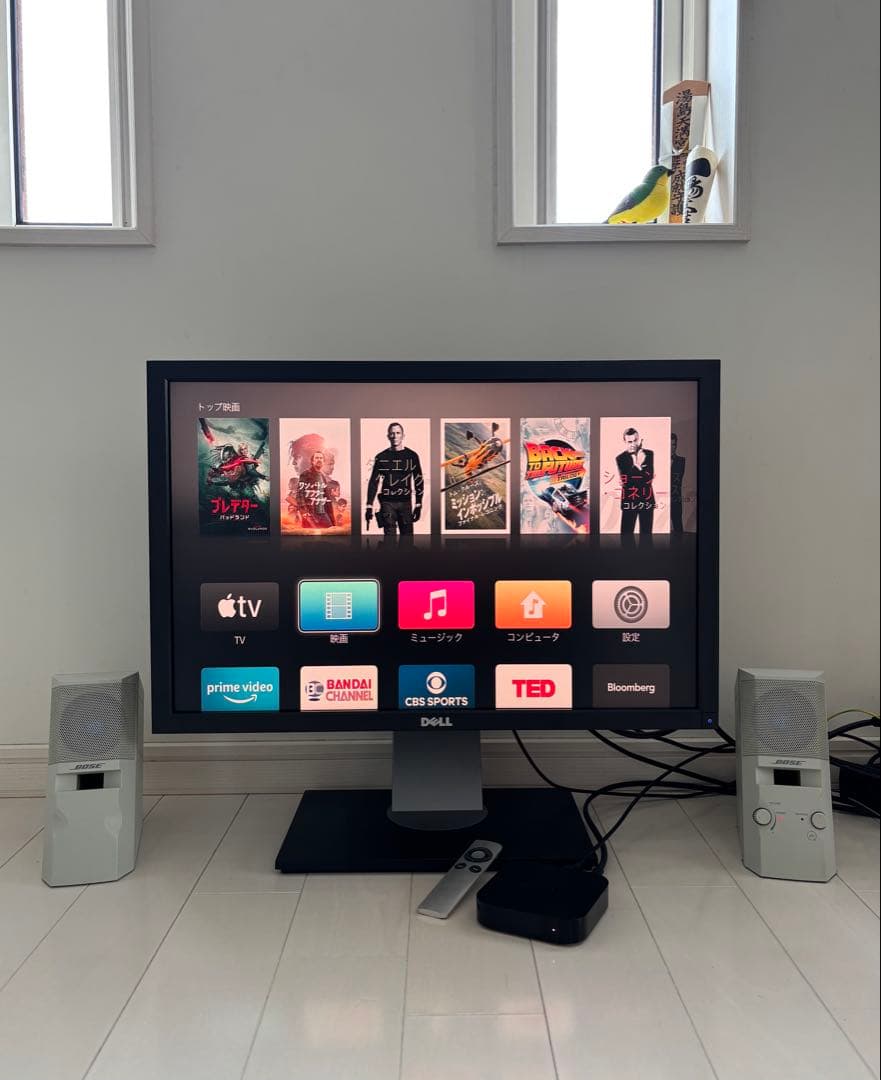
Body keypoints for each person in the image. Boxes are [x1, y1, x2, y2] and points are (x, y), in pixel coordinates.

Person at [365, 422, 424, 536]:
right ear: (388, 436)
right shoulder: (381, 457)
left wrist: (418, 504)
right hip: (387, 503)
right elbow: (373, 482)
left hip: (405, 502)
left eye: (398, 433)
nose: (395, 436)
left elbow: (418, 480)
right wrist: (369, 505)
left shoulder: (412, 456)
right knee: (389, 540)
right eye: (392, 433)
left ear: (403, 435)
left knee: (407, 540)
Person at [615, 427, 655, 534]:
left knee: (646, 537)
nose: (633, 444)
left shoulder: (649, 454)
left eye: (635, 440)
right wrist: (638, 465)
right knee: (626, 536)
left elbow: (649, 478)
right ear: (625, 441)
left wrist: (635, 475)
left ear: (639, 439)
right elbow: (626, 482)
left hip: (646, 501)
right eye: (629, 442)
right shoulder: (620, 458)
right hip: (629, 501)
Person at [297, 450, 336, 529]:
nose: (319, 460)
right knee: (309, 534)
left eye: (321, 458)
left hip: (323, 513)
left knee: (330, 532)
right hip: (311, 513)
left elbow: (326, 497)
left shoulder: (322, 476)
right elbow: (300, 494)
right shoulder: (305, 474)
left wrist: (331, 517)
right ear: (312, 461)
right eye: (317, 458)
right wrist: (304, 511)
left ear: (323, 461)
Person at [670, 433, 686, 533]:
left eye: (673, 444)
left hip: (675, 499)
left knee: (678, 528)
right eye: (669, 444)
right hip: (661, 500)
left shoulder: (681, 461)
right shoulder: (658, 461)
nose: (672, 447)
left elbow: (677, 479)